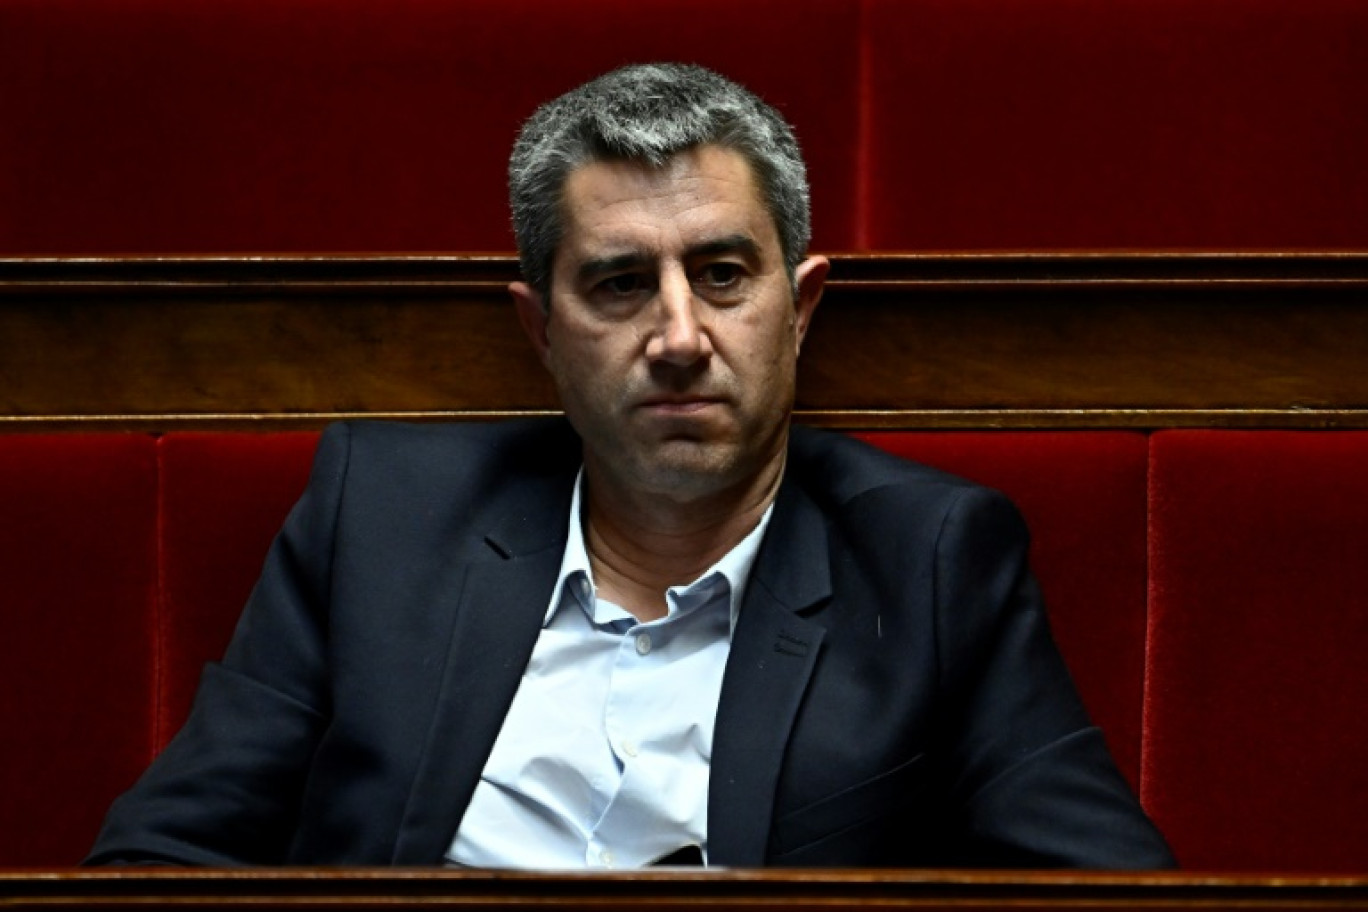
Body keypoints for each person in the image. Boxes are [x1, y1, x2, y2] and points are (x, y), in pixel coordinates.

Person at [87, 62, 1173, 869]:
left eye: (722, 274)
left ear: (800, 311)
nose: (680, 335)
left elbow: (1111, 896)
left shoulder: (932, 558)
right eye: (618, 283)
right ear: (540, 330)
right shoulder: (377, 518)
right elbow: (162, 865)